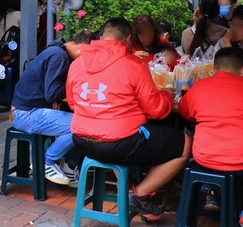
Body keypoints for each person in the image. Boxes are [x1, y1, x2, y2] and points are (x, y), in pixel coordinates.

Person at [67, 18, 191, 220]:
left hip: (81, 140)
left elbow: (73, 103)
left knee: (142, 137)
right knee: (185, 143)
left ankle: (131, 189)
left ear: (101, 37)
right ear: (127, 39)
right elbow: (157, 110)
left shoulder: (77, 63)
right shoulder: (134, 64)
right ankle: (140, 193)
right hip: (119, 143)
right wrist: (168, 93)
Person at [178, 47, 243, 227]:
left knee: (213, 168)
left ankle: (212, 192)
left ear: (214, 69)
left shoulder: (199, 87)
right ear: (242, 70)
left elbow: (185, 112)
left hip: (205, 159)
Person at [11, 31, 98, 186]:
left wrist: (56, 97)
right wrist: (75, 87)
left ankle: (69, 167)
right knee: (83, 126)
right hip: (25, 113)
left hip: (30, 109)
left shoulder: (57, 49)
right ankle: (47, 161)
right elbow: (52, 93)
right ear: (84, 47)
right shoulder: (59, 57)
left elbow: (51, 92)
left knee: (83, 118)